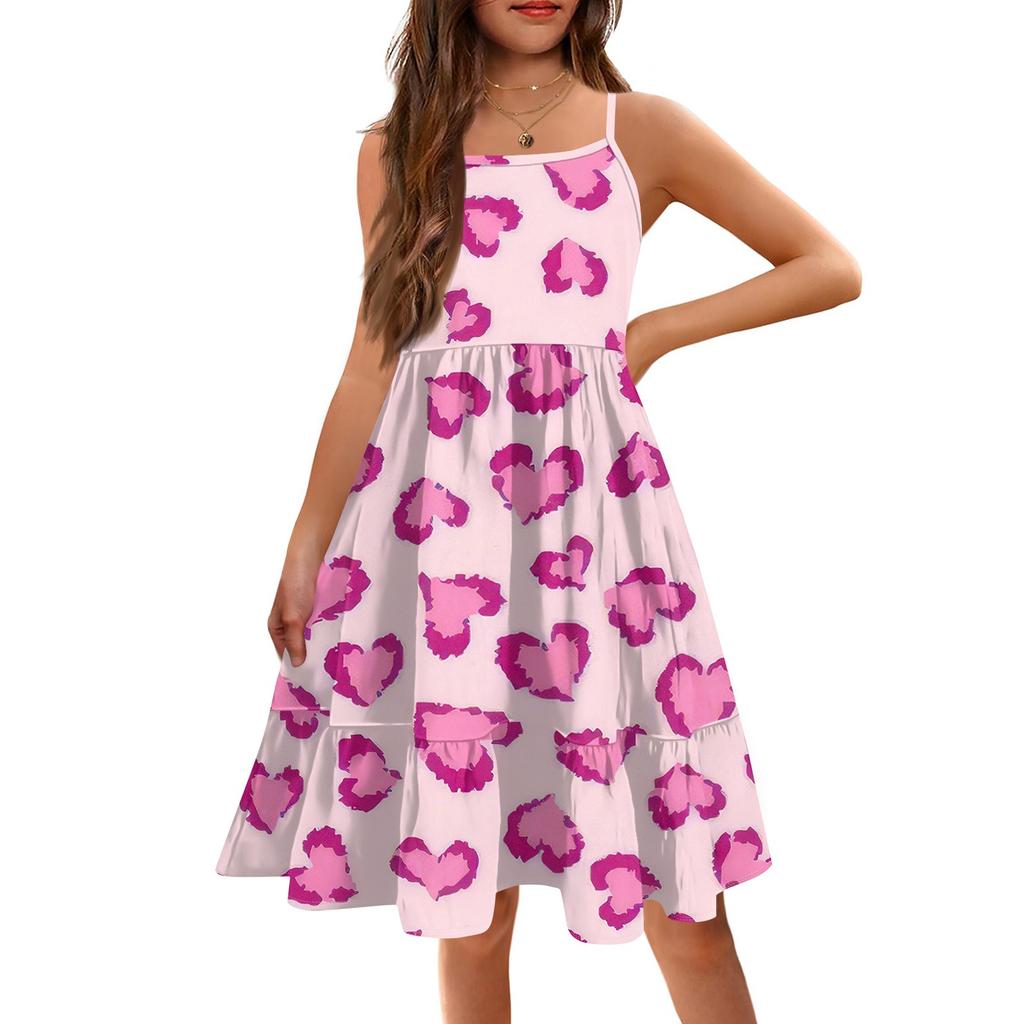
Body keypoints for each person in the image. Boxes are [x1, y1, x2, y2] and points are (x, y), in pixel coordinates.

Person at [217, 2, 861, 1021]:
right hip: (442, 540)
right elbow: (371, 363)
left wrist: (651, 332)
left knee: (680, 894)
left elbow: (827, 265)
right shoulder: (398, 149)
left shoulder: (640, 129)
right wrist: (305, 545)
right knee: (469, 904)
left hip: (598, 537)